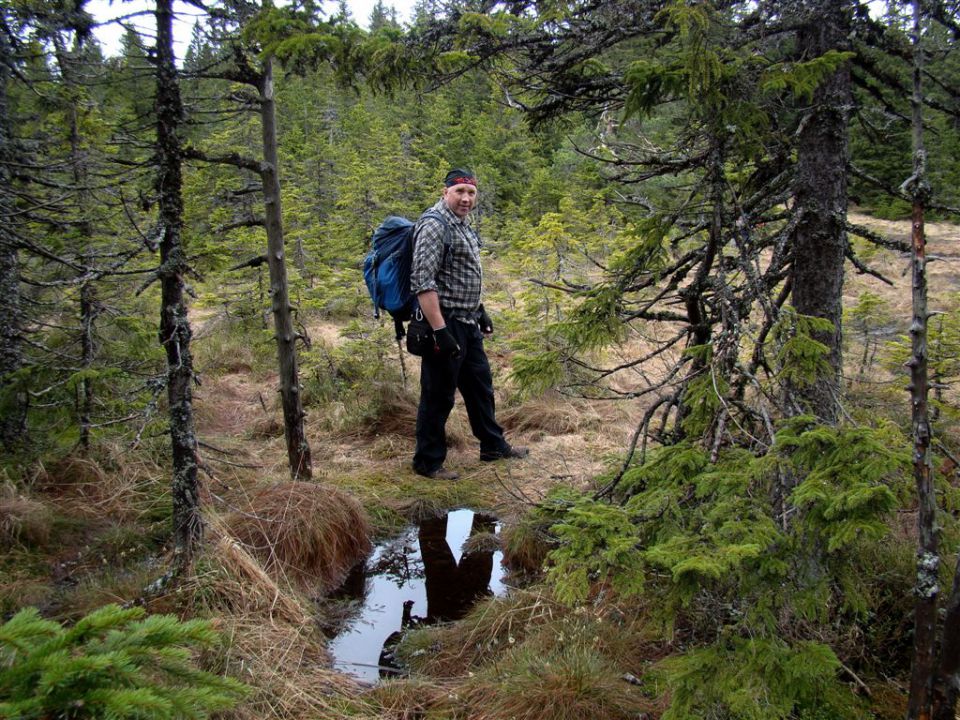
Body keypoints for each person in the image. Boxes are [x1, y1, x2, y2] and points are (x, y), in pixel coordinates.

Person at [409, 168, 528, 480]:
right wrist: (440, 331)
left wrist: (481, 310)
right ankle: (428, 463)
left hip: (468, 320)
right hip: (443, 323)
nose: (465, 198)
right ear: (445, 192)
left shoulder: (461, 224)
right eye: (459, 192)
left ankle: (492, 446)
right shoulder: (435, 225)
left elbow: (461, 275)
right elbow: (423, 282)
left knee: (480, 388)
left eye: (471, 193)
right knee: (438, 396)